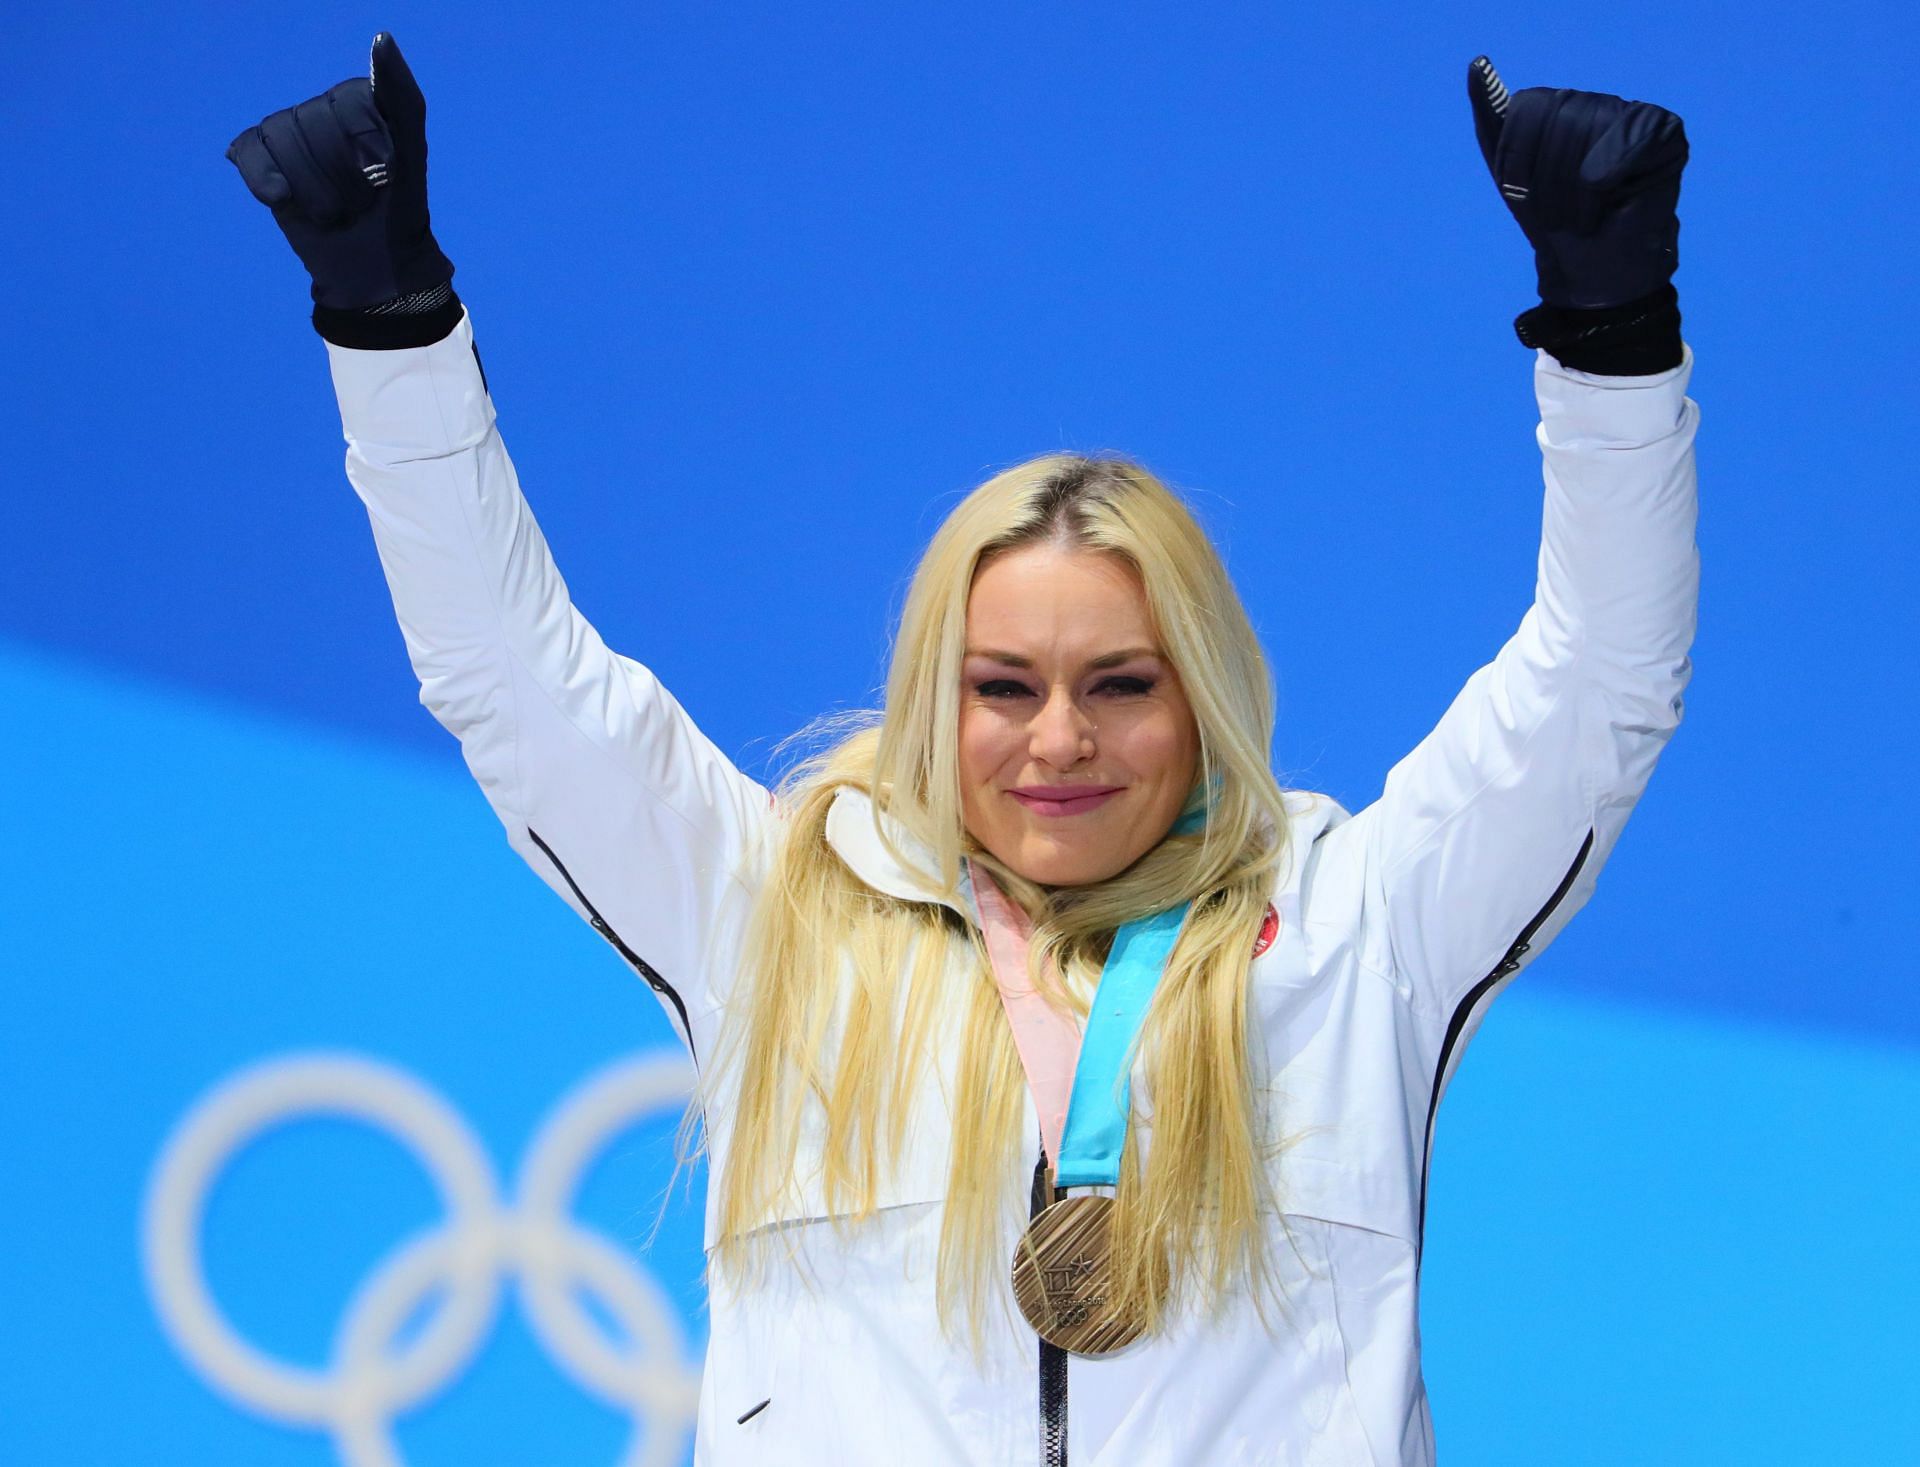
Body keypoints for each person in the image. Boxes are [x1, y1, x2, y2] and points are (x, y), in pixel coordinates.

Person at [227, 35, 1698, 1466]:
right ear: (936, 693)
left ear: (1205, 700)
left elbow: (1603, 680)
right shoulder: (767, 912)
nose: (1059, 739)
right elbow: (510, 673)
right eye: (1004, 685)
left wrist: (1612, 341)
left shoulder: (1360, 928)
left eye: (1120, 684)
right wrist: (393, 327)